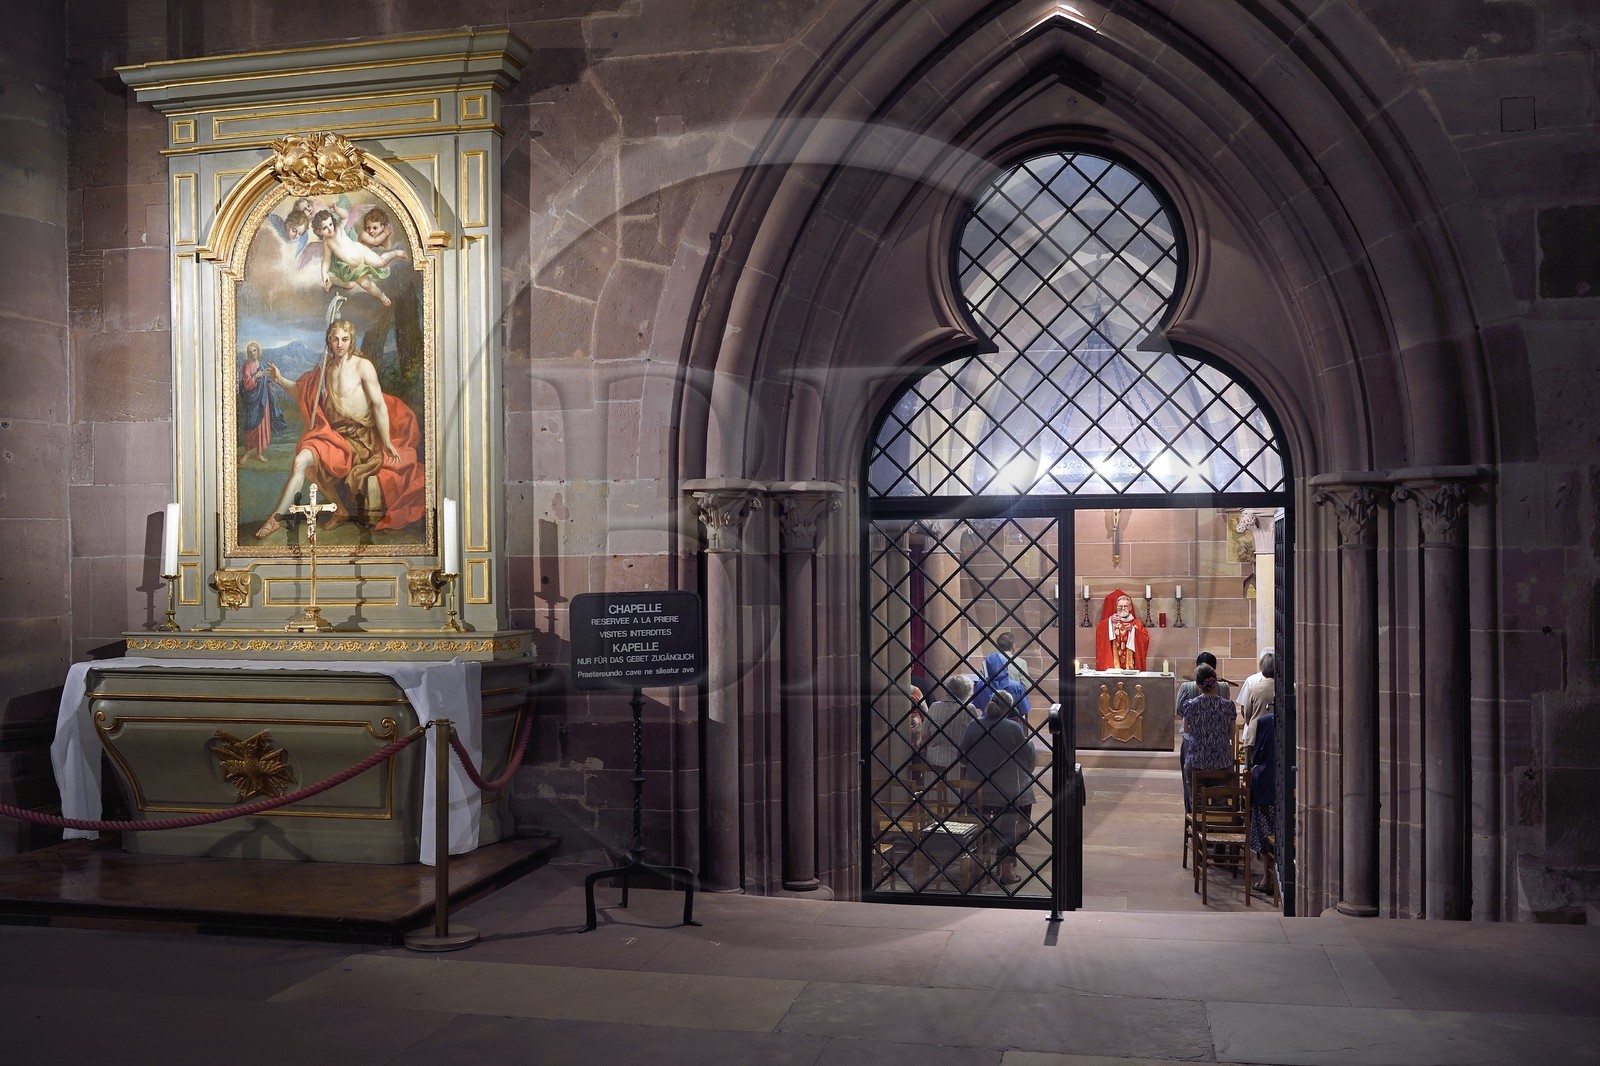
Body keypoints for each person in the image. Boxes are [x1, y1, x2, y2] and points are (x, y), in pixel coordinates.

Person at [255, 318, 426, 538]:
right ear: (329, 341)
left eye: (344, 339)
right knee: (301, 460)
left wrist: (386, 442)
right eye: (335, 339)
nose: (340, 344)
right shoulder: (325, 370)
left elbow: (379, 405)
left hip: (362, 440)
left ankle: (341, 511)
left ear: (351, 340)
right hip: (334, 437)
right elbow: (303, 393)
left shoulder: (362, 366)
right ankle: (276, 519)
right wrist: (279, 380)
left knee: (317, 463)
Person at [959, 689, 1034, 887]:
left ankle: (978, 869)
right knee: (1008, 831)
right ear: (1009, 708)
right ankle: (1006, 872)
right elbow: (1027, 756)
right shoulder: (1013, 728)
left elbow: (961, 755)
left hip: (977, 790)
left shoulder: (974, 725)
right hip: (1006, 790)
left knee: (979, 830)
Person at [312, 207, 409, 307]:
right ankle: (381, 296)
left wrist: (336, 209)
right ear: (319, 232)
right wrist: (324, 273)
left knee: (381, 263)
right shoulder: (327, 243)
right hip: (354, 267)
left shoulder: (338, 228)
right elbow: (326, 260)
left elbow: (345, 216)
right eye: (324, 228)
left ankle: (395, 253)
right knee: (365, 285)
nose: (329, 229)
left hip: (361, 252)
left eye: (330, 224)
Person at [1179, 663, 1236, 810]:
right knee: (1221, 802)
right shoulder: (1228, 705)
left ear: (1198, 685)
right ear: (1215, 681)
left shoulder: (1190, 705)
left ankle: (1199, 828)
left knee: (1197, 803)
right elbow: (1231, 733)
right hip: (1222, 761)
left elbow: (1186, 729)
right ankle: (1218, 828)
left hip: (1196, 761)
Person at [1248, 706, 1279, 900]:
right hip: (1289, 785)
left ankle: (1268, 879)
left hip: (1266, 782)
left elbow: (1257, 752)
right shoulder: (1299, 719)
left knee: (1264, 833)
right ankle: (1281, 877)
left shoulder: (1266, 721)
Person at [236, 340, 284, 464]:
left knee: (262, 426)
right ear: (248, 354)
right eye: (250, 352)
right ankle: (247, 453)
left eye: (254, 351)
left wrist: (270, 386)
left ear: (258, 352)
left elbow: (267, 379)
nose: (253, 354)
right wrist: (256, 376)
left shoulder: (262, 364)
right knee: (251, 425)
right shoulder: (246, 366)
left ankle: (259, 453)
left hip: (263, 400)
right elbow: (246, 385)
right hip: (252, 401)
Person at [921, 675, 976, 777]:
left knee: (934, 791)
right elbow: (975, 736)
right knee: (955, 791)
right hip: (958, 763)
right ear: (967, 691)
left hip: (934, 762)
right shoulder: (969, 709)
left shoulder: (934, 707)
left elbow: (924, 735)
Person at [1094, 589, 1150, 670]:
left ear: (1130, 607)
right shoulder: (1111, 622)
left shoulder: (1137, 623)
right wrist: (1109, 621)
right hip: (1114, 663)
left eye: (1125, 606)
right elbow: (1100, 630)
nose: (1123, 608)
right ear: (1116, 608)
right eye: (1120, 606)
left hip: (1131, 665)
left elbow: (1145, 639)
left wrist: (1133, 630)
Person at [1239, 648, 1276, 753]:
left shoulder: (1253, 687)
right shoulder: (1288, 687)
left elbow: (1246, 712)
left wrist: (1251, 722)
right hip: (1280, 734)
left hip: (1256, 733)